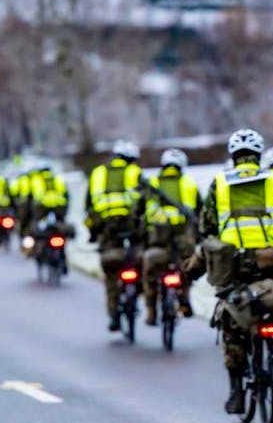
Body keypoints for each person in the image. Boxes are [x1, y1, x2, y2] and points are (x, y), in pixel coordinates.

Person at [195, 129, 273, 413]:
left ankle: (237, 391)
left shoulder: (220, 183)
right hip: (271, 261)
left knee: (232, 325)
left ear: (233, 155)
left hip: (235, 266)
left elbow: (206, 229)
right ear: (259, 153)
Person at [85, 140, 143, 332]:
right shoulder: (135, 173)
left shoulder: (97, 173)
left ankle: (114, 315)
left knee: (111, 275)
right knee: (139, 260)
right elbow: (145, 204)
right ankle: (137, 291)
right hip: (131, 228)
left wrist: (93, 233)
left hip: (107, 230)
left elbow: (89, 207)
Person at [139, 148, 200, 325]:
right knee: (187, 271)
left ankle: (151, 311)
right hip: (183, 246)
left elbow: (139, 213)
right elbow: (200, 215)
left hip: (157, 246)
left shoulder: (151, 185)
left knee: (149, 275)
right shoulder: (190, 184)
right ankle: (185, 300)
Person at [28, 160, 69, 225]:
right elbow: (66, 195)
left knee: (36, 224)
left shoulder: (36, 179)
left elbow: (29, 197)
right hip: (59, 207)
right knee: (61, 222)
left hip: (41, 207)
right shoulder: (57, 178)